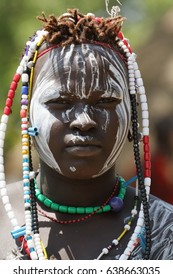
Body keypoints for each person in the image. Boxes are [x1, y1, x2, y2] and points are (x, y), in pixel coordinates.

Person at [0, 6, 173, 260]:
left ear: (132, 117)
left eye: (104, 102)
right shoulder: (5, 217)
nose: (84, 121)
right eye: (60, 101)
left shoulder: (163, 230)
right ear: (27, 115)